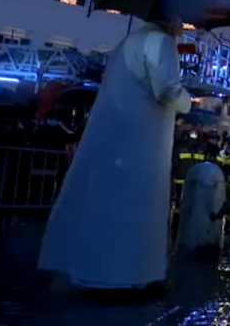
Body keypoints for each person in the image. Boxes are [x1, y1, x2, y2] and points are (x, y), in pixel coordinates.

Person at [38, 19, 192, 290]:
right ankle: (126, 277)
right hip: (143, 141)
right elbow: (168, 91)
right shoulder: (161, 42)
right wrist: (188, 102)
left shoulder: (128, 43)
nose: (184, 24)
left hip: (117, 137)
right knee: (135, 205)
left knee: (107, 203)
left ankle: (93, 271)